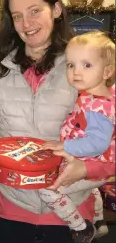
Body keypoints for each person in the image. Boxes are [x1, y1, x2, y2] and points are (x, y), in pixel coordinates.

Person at [0, 0, 115, 243]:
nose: (26, 24)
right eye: (17, 16)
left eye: (35, 11)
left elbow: (110, 137)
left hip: (70, 209)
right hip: (13, 206)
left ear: (57, 10)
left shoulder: (84, 67)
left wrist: (86, 171)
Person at [36, 31, 115, 242]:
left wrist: (65, 146)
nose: (76, 72)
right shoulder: (99, 94)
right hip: (97, 164)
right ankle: (99, 220)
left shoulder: (97, 108)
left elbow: (97, 143)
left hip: (92, 163)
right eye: (71, 65)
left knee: (46, 187)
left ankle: (81, 227)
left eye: (87, 65)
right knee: (92, 190)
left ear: (107, 71)